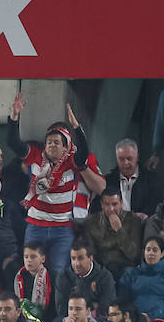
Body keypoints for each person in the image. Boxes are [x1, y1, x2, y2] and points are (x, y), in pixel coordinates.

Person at [8, 95, 103, 273]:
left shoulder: (73, 161)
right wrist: (14, 116)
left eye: (57, 142)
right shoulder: (35, 156)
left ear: (66, 146)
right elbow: (13, 143)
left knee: (57, 271)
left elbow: (83, 153)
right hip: (36, 225)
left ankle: (55, 302)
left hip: (63, 229)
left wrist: (77, 127)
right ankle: (30, 302)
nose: (51, 145)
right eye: (49, 142)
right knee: (32, 271)